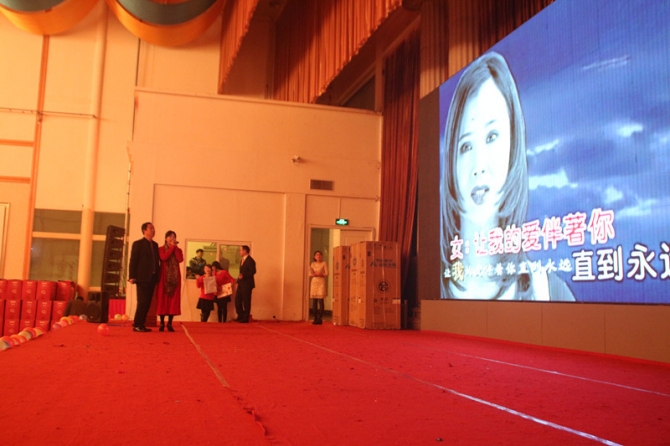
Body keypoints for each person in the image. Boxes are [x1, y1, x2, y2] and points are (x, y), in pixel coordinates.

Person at [440, 51, 574, 301]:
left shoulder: (549, 292)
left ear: (514, 147)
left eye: (492, 137)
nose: (479, 165)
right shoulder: (435, 288)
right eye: (466, 146)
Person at [128, 222, 160, 332]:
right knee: (142, 302)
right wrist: (132, 276)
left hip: (152, 278)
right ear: (144, 230)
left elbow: (156, 262)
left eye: (153, 228)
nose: (153, 230)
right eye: (151, 228)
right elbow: (133, 261)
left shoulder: (155, 245)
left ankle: (141, 324)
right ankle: (137, 324)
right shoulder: (138, 244)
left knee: (147, 303)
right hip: (142, 278)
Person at [155, 230, 183, 332]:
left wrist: (174, 248)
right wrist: (172, 248)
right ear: (165, 238)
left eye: (174, 237)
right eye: (170, 237)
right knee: (162, 299)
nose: (172, 238)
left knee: (173, 301)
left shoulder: (178, 250)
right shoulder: (161, 249)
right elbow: (164, 257)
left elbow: (180, 259)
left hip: (175, 278)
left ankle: (170, 323)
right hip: (164, 277)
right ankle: (162, 322)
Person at [235, 245, 256, 323]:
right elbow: (241, 272)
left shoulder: (250, 260)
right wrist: (238, 282)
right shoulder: (242, 260)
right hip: (241, 283)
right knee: (237, 300)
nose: (239, 252)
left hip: (247, 284)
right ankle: (240, 315)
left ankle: (245, 318)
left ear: (245, 251)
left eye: (240, 250)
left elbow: (253, 271)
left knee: (246, 301)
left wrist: (244, 276)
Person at [309, 250, 328, 325]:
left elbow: (327, 273)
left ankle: (320, 317)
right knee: (314, 301)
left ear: (322, 256)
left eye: (320, 255)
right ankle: (315, 317)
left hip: (321, 282)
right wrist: (314, 274)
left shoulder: (324, 263)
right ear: (314, 257)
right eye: (317, 255)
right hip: (314, 282)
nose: (318, 256)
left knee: (321, 300)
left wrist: (320, 274)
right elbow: (310, 274)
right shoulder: (312, 264)